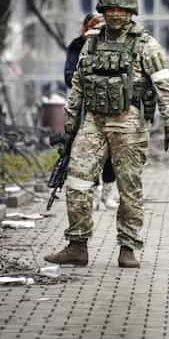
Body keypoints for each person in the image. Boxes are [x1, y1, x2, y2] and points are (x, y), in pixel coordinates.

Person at [44, 0, 169, 268]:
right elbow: (78, 85)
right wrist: (70, 124)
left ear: (132, 13)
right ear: (103, 11)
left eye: (122, 10)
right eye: (111, 9)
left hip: (128, 122)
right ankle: (77, 245)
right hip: (93, 121)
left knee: (129, 187)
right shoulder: (91, 43)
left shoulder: (146, 45)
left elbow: (164, 85)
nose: (116, 14)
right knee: (78, 181)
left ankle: (128, 246)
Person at [63, 12, 119, 210]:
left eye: (101, 25)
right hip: (86, 108)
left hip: (112, 107)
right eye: (93, 25)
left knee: (111, 152)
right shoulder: (78, 45)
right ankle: (93, 195)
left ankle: (108, 195)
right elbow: (69, 76)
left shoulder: (116, 45)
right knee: (88, 153)